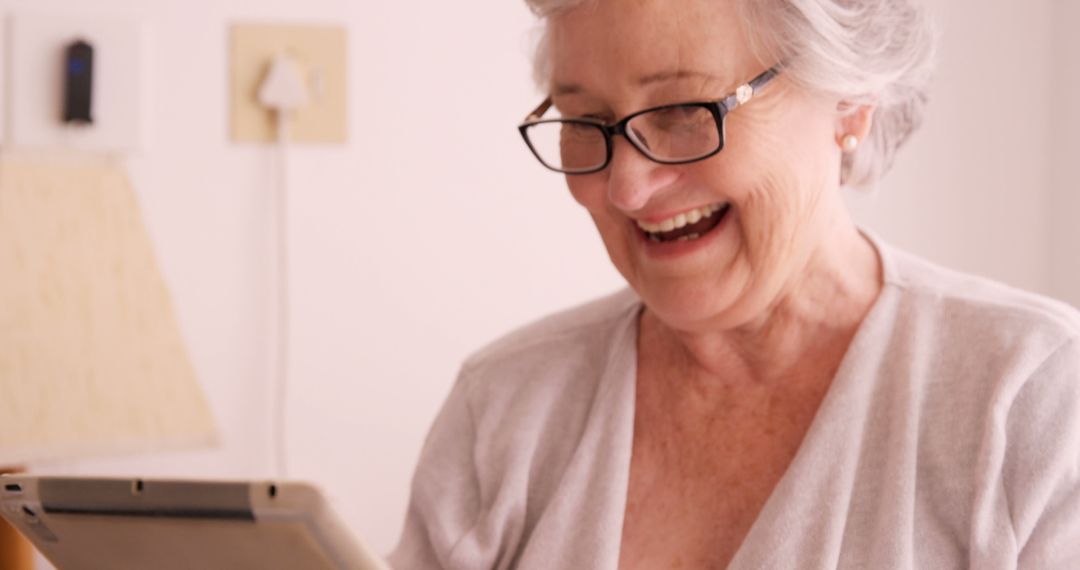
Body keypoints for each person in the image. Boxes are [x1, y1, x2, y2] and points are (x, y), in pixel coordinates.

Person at [389, 0, 1080, 567]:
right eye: (589, 122)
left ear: (849, 103)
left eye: (686, 110)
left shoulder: (1030, 398)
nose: (626, 186)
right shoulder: (505, 408)